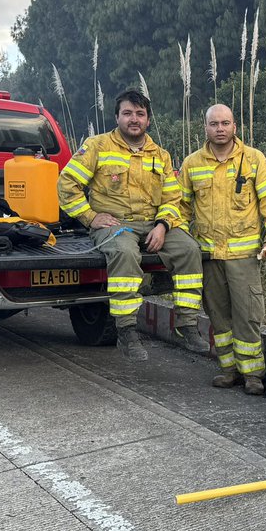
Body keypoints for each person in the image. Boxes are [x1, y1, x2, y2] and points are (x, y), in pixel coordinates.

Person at [57, 89, 208, 362]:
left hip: (153, 223)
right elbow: (67, 184)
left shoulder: (160, 155)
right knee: (125, 253)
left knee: (189, 249)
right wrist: (90, 217)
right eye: (127, 113)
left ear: (148, 119)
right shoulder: (97, 146)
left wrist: (162, 225)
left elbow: (172, 198)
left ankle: (186, 323)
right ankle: (126, 331)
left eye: (140, 114)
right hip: (115, 224)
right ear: (117, 117)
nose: (134, 119)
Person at [178, 104, 266, 395]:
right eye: (214, 124)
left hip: (244, 256)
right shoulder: (192, 163)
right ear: (205, 127)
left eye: (225, 123)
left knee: (248, 316)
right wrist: (183, 245)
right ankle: (229, 370)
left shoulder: (253, 159)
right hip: (208, 256)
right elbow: (180, 208)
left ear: (235, 127)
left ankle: (253, 375)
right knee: (218, 317)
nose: (220, 129)